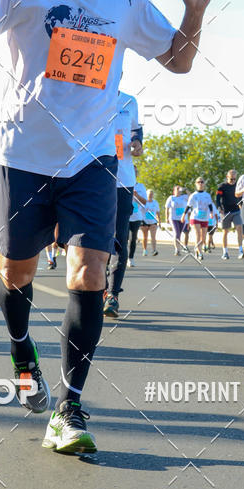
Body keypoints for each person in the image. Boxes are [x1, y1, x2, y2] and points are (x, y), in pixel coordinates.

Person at [0, 0, 216, 453]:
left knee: (89, 272)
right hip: (22, 156)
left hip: (92, 158)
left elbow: (180, 62)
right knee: (15, 273)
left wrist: (193, 13)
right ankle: (22, 351)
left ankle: (69, 407)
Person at [103, 88, 142, 317]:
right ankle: (96, 289)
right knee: (95, 239)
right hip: (92, 178)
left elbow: (136, 129)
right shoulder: (87, 94)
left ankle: (112, 295)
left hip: (124, 180)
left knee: (120, 238)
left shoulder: (130, 101)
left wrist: (137, 142)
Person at [216, 169, 244, 260]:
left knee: (239, 228)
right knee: (225, 232)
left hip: (236, 211)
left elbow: (241, 199)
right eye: (231, 179)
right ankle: (225, 252)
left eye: (234, 179)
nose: (233, 181)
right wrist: (220, 209)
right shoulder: (222, 187)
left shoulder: (238, 186)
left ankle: (240, 250)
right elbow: (217, 199)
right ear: (227, 177)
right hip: (226, 212)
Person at [185, 177, 214, 261]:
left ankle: (197, 248)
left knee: (203, 237)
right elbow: (188, 206)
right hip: (195, 217)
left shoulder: (207, 195)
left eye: (202, 182)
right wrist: (184, 215)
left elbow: (210, 205)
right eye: (198, 182)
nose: (200, 183)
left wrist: (211, 213)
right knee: (197, 234)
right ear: (196, 184)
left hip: (204, 217)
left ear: (204, 184)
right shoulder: (193, 195)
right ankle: (200, 252)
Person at [127, 176, 147, 269]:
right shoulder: (122, 183)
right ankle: (120, 258)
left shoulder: (141, 187)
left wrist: (136, 195)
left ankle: (130, 258)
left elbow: (144, 202)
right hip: (124, 216)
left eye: (135, 172)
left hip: (136, 217)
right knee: (122, 238)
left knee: (133, 238)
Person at [165, 184, 190, 254]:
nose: (179, 190)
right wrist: (166, 217)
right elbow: (166, 208)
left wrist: (185, 189)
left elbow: (191, 197)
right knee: (176, 233)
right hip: (173, 218)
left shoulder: (184, 197)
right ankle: (177, 249)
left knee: (179, 234)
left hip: (182, 219)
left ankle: (178, 247)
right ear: (174, 191)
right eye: (177, 189)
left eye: (180, 189)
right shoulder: (171, 198)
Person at [141, 189, 160, 255]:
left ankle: (154, 250)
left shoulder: (155, 202)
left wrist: (159, 221)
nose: (150, 195)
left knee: (153, 237)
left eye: (152, 194)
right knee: (145, 237)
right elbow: (140, 211)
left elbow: (158, 212)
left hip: (153, 221)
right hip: (145, 221)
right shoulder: (144, 202)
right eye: (149, 194)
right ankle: (145, 250)